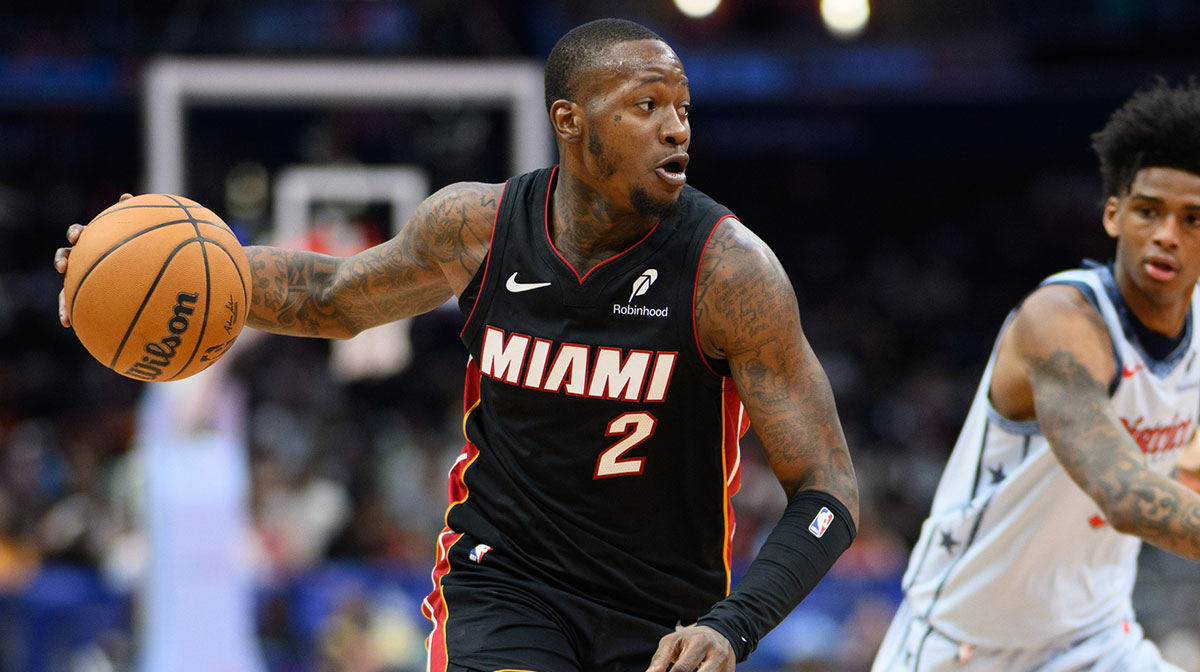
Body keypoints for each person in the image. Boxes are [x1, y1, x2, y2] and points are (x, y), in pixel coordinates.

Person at [55, 18, 859, 672]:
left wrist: (733, 624)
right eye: (645, 105)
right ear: (569, 122)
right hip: (504, 584)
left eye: (682, 106)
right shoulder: (477, 227)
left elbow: (829, 490)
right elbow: (334, 297)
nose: (675, 126)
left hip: (663, 616)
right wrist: (164, 268)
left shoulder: (729, 272)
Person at [871, 79, 1200, 672]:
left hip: (1098, 641)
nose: (1166, 235)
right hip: (965, 646)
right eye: (1149, 211)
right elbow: (1125, 495)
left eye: (1192, 218)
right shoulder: (1060, 321)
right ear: (1113, 213)